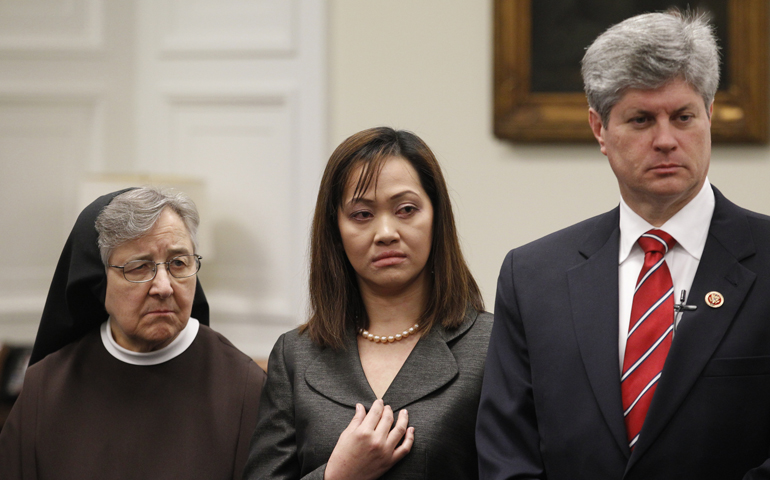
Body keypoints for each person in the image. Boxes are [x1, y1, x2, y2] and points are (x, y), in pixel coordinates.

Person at [477, 10, 770, 479]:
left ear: (710, 115)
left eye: (683, 116)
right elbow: (506, 453)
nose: (666, 140)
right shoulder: (532, 277)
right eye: (640, 119)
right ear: (599, 129)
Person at [243, 127, 492, 479]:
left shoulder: (491, 345)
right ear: (336, 230)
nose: (386, 232)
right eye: (362, 214)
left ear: (437, 217)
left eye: (406, 209)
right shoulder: (295, 354)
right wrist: (337, 476)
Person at [0, 187, 266, 480]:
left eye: (179, 263)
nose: (164, 287)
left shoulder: (246, 388)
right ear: (99, 280)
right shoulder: (45, 389)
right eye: (139, 267)